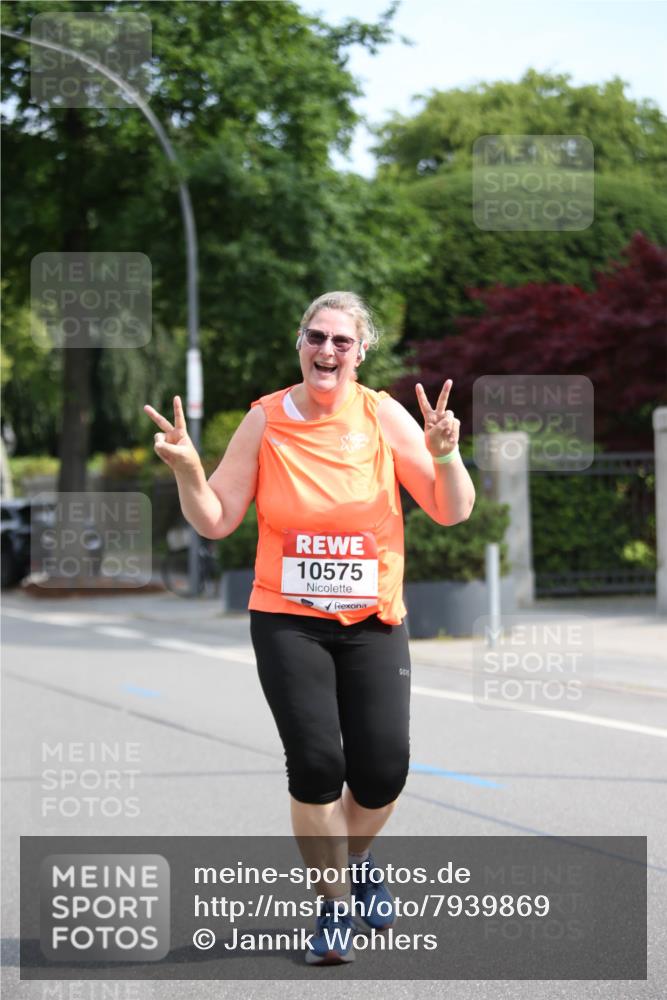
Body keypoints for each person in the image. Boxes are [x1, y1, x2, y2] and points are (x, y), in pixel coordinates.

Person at [144, 290, 476, 965]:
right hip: (287, 619)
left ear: (360, 353)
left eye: (341, 341)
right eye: (315, 337)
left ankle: (353, 860)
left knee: (382, 770)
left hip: (373, 619)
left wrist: (445, 455)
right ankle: (330, 907)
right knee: (319, 764)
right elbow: (216, 518)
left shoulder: (382, 416)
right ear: (300, 342)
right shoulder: (265, 420)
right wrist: (187, 470)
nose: (326, 351)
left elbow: (451, 511)